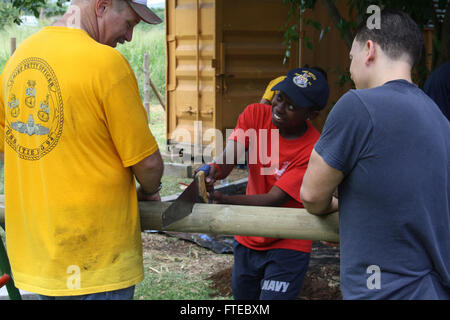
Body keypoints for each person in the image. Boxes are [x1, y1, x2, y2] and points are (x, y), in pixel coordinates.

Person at [0, 0, 164, 300]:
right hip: (96, 266)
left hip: (36, 267)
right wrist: (151, 189)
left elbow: (8, 150)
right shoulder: (106, 64)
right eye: (128, 24)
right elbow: (149, 165)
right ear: (101, 6)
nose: (128, 37)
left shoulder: (17, 60)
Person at [300, 9, 450, 299]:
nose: (350, 69)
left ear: (369, 50)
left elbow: (311, 195)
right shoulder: (439, 118)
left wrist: (335, 206)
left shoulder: (357, 106)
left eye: (351, 58)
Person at [198, 67, 330, 300]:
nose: (279, 109)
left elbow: (274, 199)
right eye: (280, 98)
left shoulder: (314, 148)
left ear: (311, 115)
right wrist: (212, 170)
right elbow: (229, 159)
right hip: (248, 234)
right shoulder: (256, 115)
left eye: (292, 107)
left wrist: (224, 200)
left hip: (289, 240)